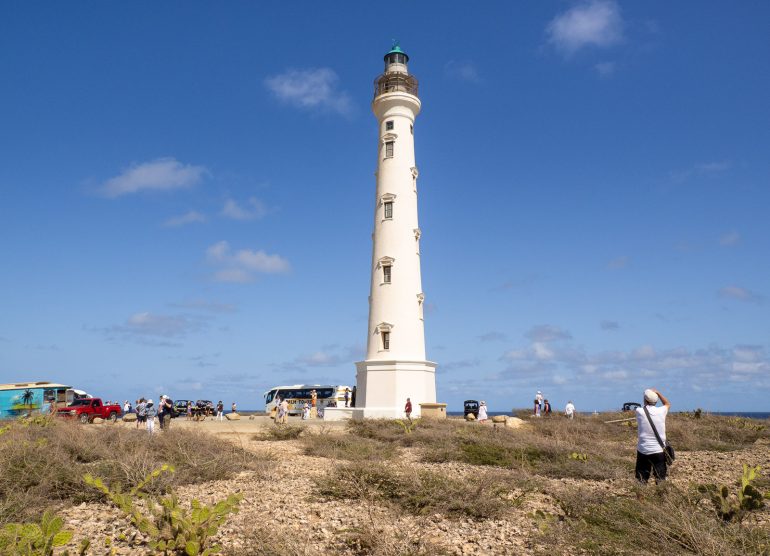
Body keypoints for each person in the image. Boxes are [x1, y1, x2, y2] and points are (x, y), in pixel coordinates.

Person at [635, 388, 671, 484]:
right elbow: (667, 404)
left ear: (645, 400)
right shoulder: (662, 411)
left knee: (641, 479)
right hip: (658, 450)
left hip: (643, 450)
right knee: (660, 478)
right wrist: (658, 393)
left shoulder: (639, 411)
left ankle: (640, 499)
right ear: (656, 401)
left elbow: (644, 407)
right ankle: (662, 498)